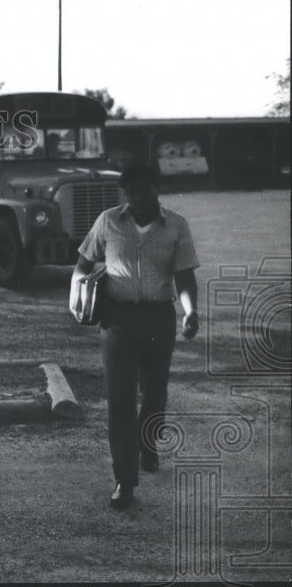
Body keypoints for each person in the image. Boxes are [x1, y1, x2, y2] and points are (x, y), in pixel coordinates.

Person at [69, 163, 199, 509]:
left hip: (159, 318)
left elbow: (185, 276)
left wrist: (191, 310)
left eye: (143, 191)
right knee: (120, 401)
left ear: (157, 188)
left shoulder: (176, 226)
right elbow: (83, 264)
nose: (137, 199)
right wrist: (75, 297)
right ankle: (124, 481)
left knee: (155, 394)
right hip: (118, 320)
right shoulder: (109, 221)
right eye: (131, 193)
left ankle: (148, 444)